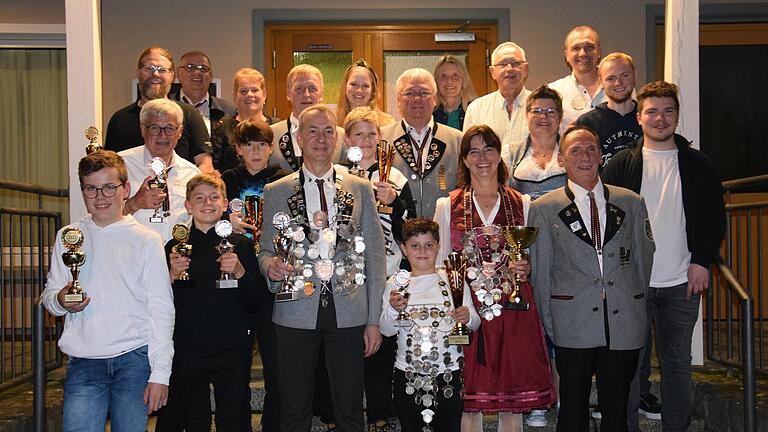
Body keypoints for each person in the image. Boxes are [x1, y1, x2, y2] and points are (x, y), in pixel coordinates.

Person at [602, 81, 726, 432]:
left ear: (676, 116)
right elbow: (607, 222)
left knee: (676, 364)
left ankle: (677, 427)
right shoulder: (621, 166)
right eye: (652, 112)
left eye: (668, 111)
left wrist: (702, 260)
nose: (660, 118)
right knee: (627, 363)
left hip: (682, 281)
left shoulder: (699, 165)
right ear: (639, 117)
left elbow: (714, 218)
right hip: (632, 283)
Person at [258, 105, 387, 432]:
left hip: (349, 309)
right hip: (295, 310)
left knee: (349, 409)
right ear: (298, 139)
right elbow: (265, 249)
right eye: (312, 131)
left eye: (328, 131)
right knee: (294, 409)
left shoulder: (360, 188)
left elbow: (374, 253)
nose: (320, 138)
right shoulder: (277, 191)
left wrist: (373, 320)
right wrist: (269, 266)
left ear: (338, 140)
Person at [529, 125, 655, 432]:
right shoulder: (544, 209)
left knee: (618, 410)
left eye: (590, 149)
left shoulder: (631, 202)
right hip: (571, 322)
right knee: (572, 411)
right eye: (575, 150)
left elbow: (644, 261)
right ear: (561, 160)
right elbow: (541, 273)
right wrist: (550, 323)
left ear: (601, 156)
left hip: (622, 320)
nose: (584, 157)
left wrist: (629, 300)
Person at [41, 150, 175, 431]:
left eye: (109, 187)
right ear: (82, 191)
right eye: (91, 188)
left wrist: (161, 373)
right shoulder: (69, 236)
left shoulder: (146, 240)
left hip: (134, 359)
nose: (100, 196)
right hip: (84, 360)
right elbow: (50, 297)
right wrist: (61, 300)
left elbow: (161, 309)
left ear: (125, 189)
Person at [434, 125, 555, 432]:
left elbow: (535, 260)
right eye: (473, 150)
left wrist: (524, 268)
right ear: (463, 159)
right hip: (469, 312)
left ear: (499, 155)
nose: (482, 157)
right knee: (470, 405)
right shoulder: (447, 205)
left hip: (513, 310)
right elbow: (440, 264)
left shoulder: (523, 203)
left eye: (489, 149)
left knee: (511, 405)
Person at [162, 173, 264, 431]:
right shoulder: (175, 247)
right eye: (199, 198)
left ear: (225, 202)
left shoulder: (241, 245)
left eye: (214, 197)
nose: (207, 203)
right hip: (188, 346)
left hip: (232, 346)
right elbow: (159, 302)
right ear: (188, 205)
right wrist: (171, 276)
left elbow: (255, 301)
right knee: (195, 418)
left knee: (233, 417)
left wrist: (240, 272)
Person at [221, 118, 290, 432]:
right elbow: (213, 215)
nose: (256, 150)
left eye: (262, 144)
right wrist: (228, 221)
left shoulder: (283, 179)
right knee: (236, 366)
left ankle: (273, 425)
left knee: (277, 365)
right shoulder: (228, 180)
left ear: (271, 147)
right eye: (248, 144)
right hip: (237, 279)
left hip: (271, 278)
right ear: (238, 149)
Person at [380, 218, 480, 432]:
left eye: (429, 245)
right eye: (415, 246)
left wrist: (467, 317)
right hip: (408, 373)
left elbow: (475, 322)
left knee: (449, 426)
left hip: (449, 372)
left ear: (438, 246)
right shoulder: (395, 284)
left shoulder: (454, 279)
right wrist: (392, 309)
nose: (422, 251)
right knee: (411, 427)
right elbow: (386, 330)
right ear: (404, 249)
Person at [105, 46, 213, 173]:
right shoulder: (120, 119)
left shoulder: (189, 114)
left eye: (162, 70)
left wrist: (182, 188)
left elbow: (205, 165)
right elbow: (108, 169)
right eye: (149, 68)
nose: (155, 74)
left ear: (172, 75)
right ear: (139, 72)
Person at [380, 68, 462, 219]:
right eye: (409, 93)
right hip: (395, 234)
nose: (417, 99)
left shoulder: (457, 140)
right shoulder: (381, 139)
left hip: (443, 231)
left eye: (424, 93)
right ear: (399, 100)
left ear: (435, 99)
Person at [119, 98, 201, 243]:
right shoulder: (121, 166)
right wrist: (134, 203)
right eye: (155, 128)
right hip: (132, 258)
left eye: (170, 128)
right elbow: (101, 217)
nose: (162, 136)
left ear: (180, 132)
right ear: (143, 129)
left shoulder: (192, 174)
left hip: (176, 262)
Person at [270, 64, 345, 172]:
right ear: (288, 94)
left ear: (321, 94)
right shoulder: (271, 135)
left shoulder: (341, 137)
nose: (306, 94)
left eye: (312, 88)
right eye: (299, 89)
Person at [575, 52, 642, 167]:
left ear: (634, 75)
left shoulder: (648, 118)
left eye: (625, 75)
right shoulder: (587, 123)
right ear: (601, 82)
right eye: (611, 78)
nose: (618, 83)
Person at [502, 85, 568, 201]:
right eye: (536, 111)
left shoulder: (571, 151)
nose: (543, 116)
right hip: (524, 218)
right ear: (527, 115)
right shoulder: (510, 154)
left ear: (560, 116)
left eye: (551, 111)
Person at [463, 42, 530, 152]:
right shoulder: (476, 109)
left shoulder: (540, 107)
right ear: (492, 72)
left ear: (525, 69)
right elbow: (469, 152)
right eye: (502, 64)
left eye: (515, 63)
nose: (509, 69)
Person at [213, 68, 276, 173]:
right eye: (243, 91)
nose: (250, 95)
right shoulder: (222, 126)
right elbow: (214, 168)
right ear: (235, 97)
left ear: (264, 94)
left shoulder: (277, 126)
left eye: (255, 90)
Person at [548, 26, 606, 133]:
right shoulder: (554, 91)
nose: (583, 53)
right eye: (576, 48)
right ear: (566, 55)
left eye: (589, 47)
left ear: (599, 52)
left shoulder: (619, 89)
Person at [171, 51, 236, 134]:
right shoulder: (164, 106)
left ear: (211, 76)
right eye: (190, 67)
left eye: (203, 68)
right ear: (179, 74)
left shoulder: (228, 111)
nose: (197, 73)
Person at [335, 58, 395, 127]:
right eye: (354, 84)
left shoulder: (387, 124)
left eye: (365, 86)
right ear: (345, 86)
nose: (359, 90)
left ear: (373, 90)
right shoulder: (331, 123)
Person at [432, 55, 477, 130]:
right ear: (436, 81)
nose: (449, 81)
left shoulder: (475, 110)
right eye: (444, 76)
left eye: (455, 76)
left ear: (464, 81)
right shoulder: (428, 113)